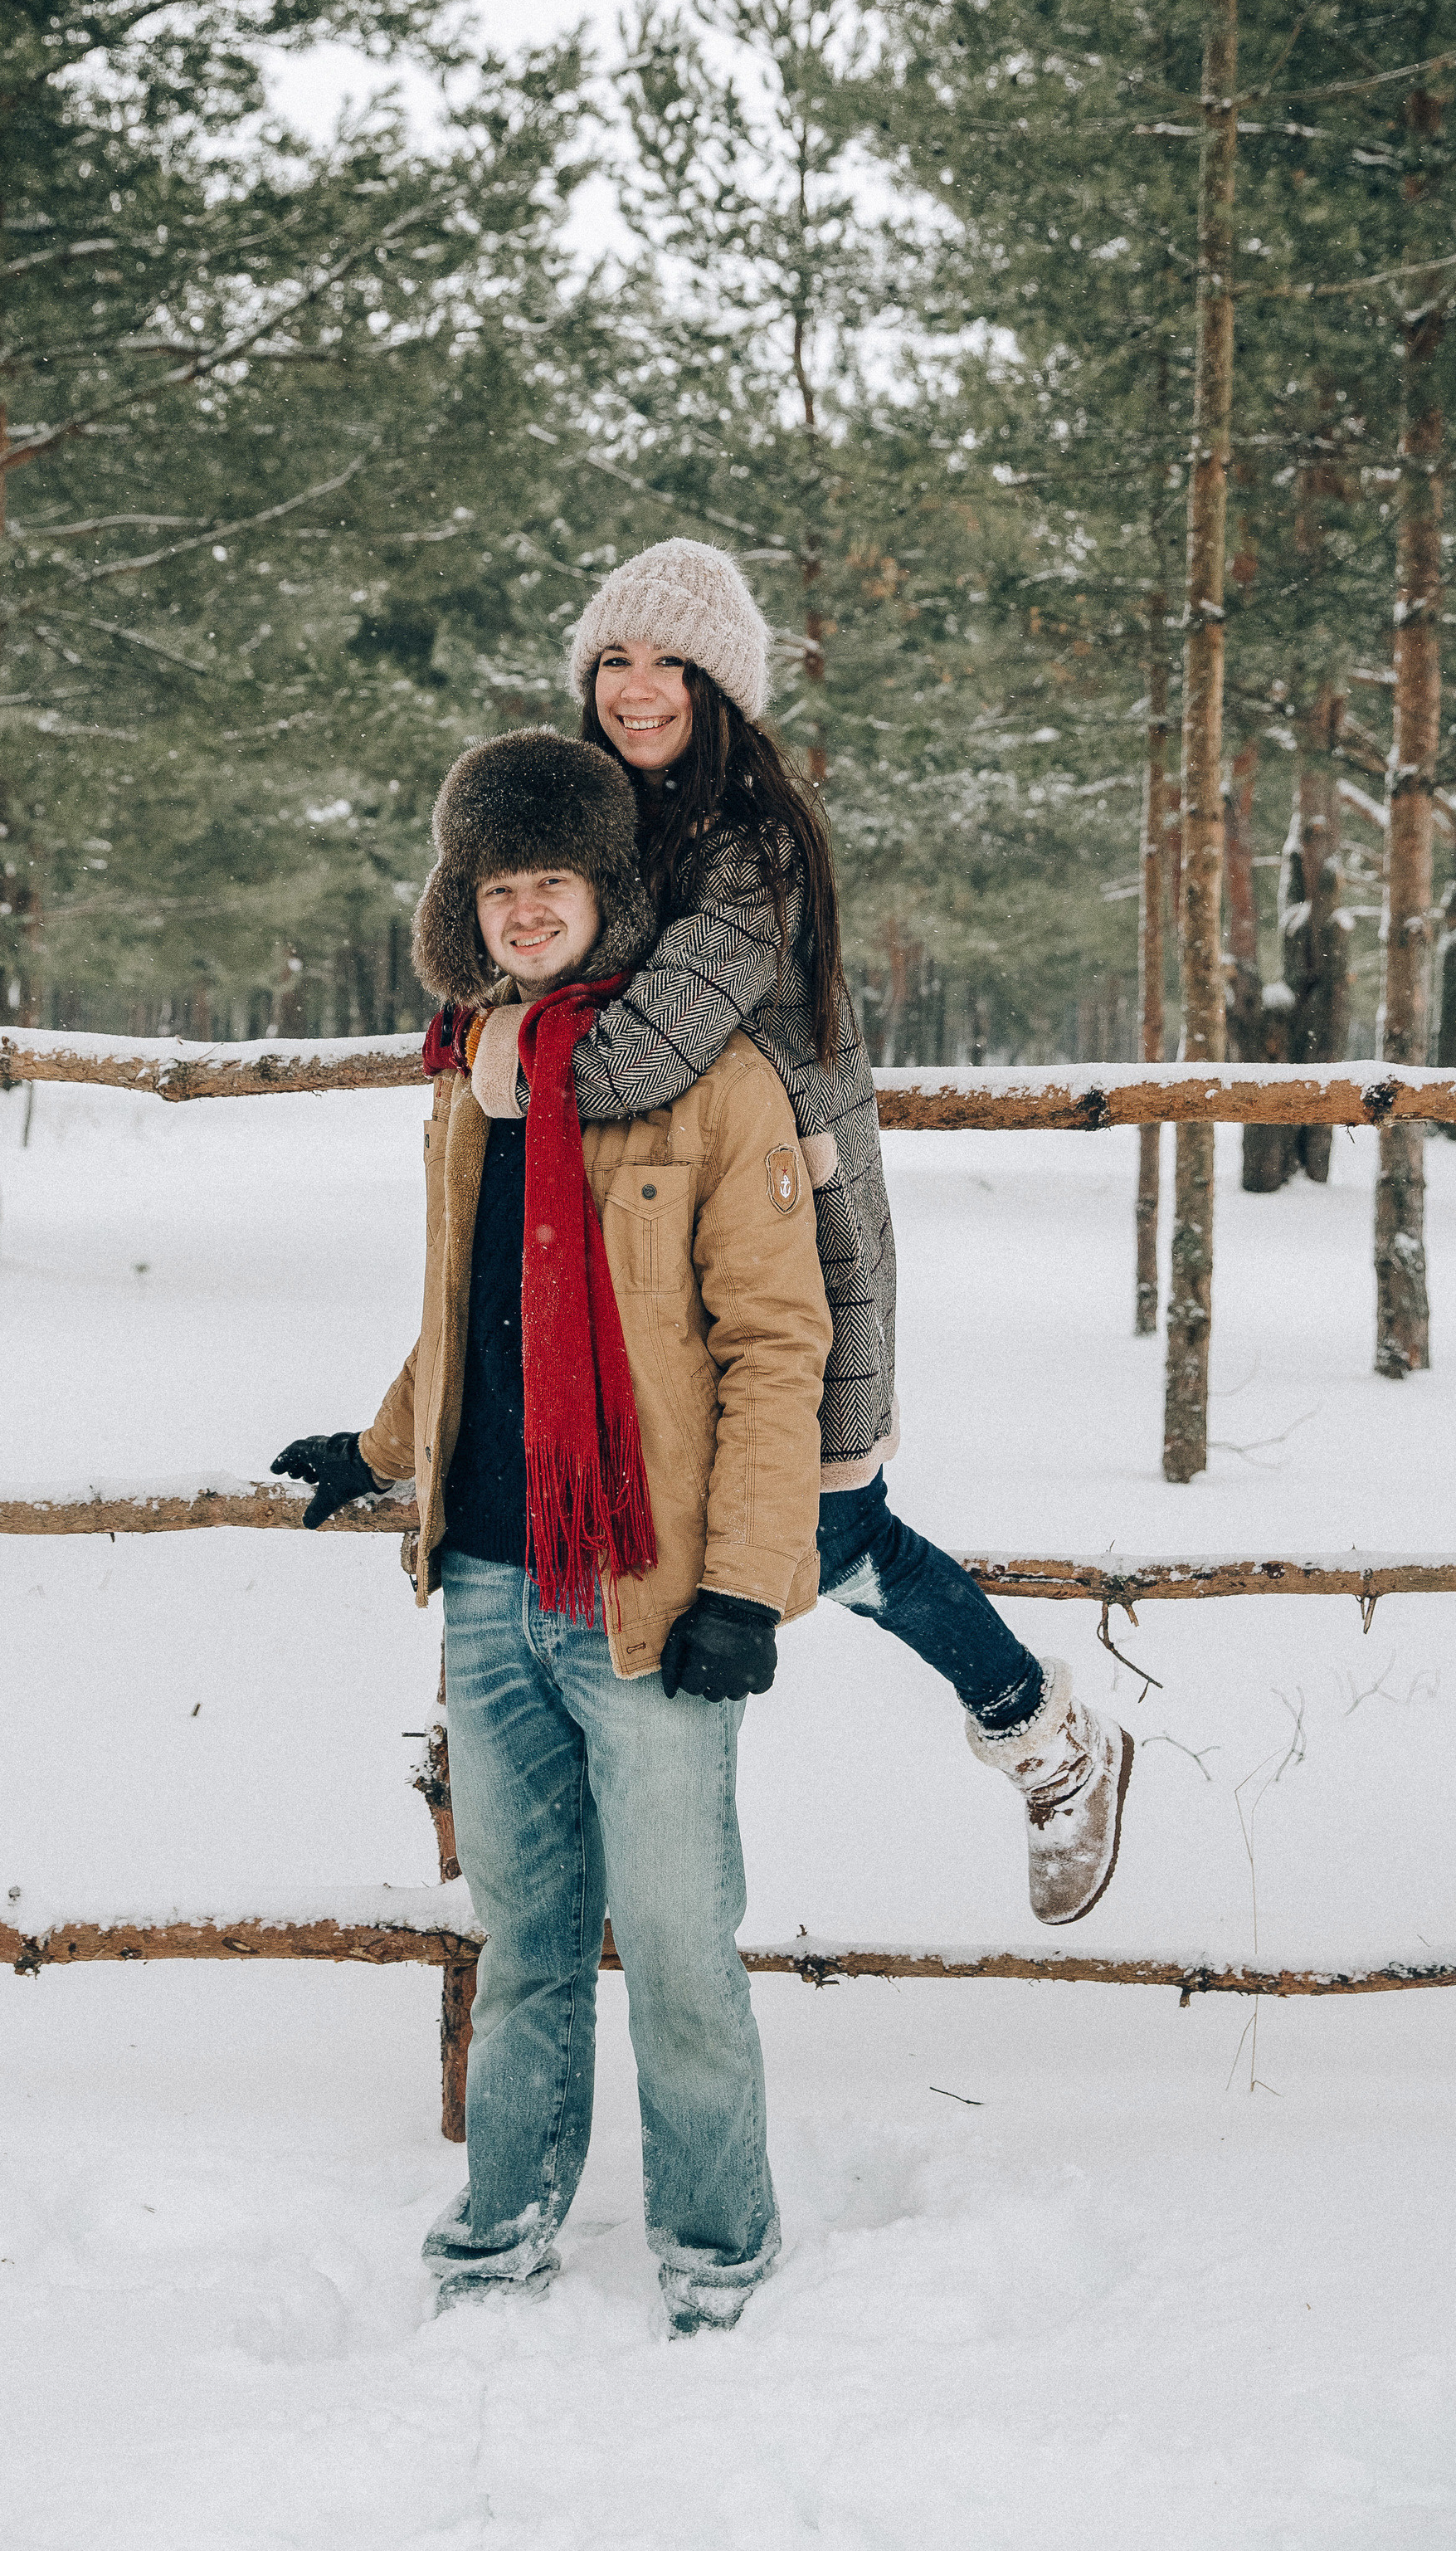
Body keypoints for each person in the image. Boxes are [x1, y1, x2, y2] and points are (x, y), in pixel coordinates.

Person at [467, 539, 1131, 1929]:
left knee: (826, 1529)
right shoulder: (607, 824)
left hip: (791, 1232)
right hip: (630, 1245)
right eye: (614, 662)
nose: (637, 689)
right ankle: (494, 1725)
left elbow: (639, 1052)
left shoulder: (754, 845)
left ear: (722, 684)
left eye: (670, 664)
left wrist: (501, 1053)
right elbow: (511, 939)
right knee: (595, 1479)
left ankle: (1046, 1734)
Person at [273, 729, 830, 2334]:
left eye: (557, 884)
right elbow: (465, 1312)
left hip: (644, 1594)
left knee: (672, 1941)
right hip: (489, 1578)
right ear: (470, 904)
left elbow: (773, 1349)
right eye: (501, 887)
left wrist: (744, 1586)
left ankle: (719, 2246)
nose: (528, 913)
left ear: (609, 895)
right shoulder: (473, 1085)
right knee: (523, 1937)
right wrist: (380, 1446)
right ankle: (504, 2221)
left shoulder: (713, 1087)